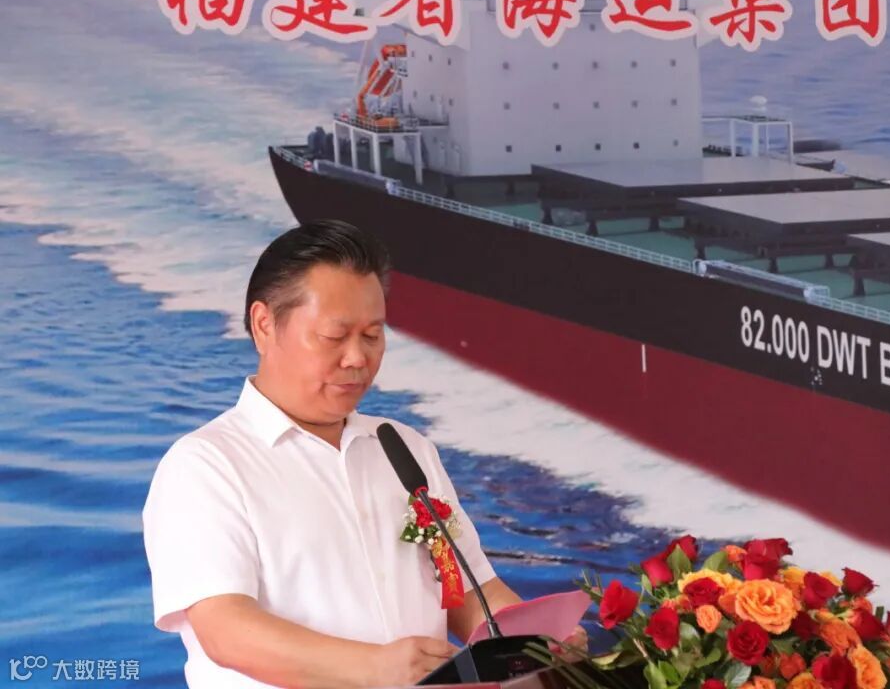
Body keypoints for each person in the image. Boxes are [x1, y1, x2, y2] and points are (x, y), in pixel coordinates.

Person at [142, 220, 582, 689]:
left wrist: (538, 644)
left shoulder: (404, 450)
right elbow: (226, 631)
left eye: (372, 335)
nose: (357, 357)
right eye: (335, 336)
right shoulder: (205, 465)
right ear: (264, 325)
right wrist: (375, 668)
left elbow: (465, 590)